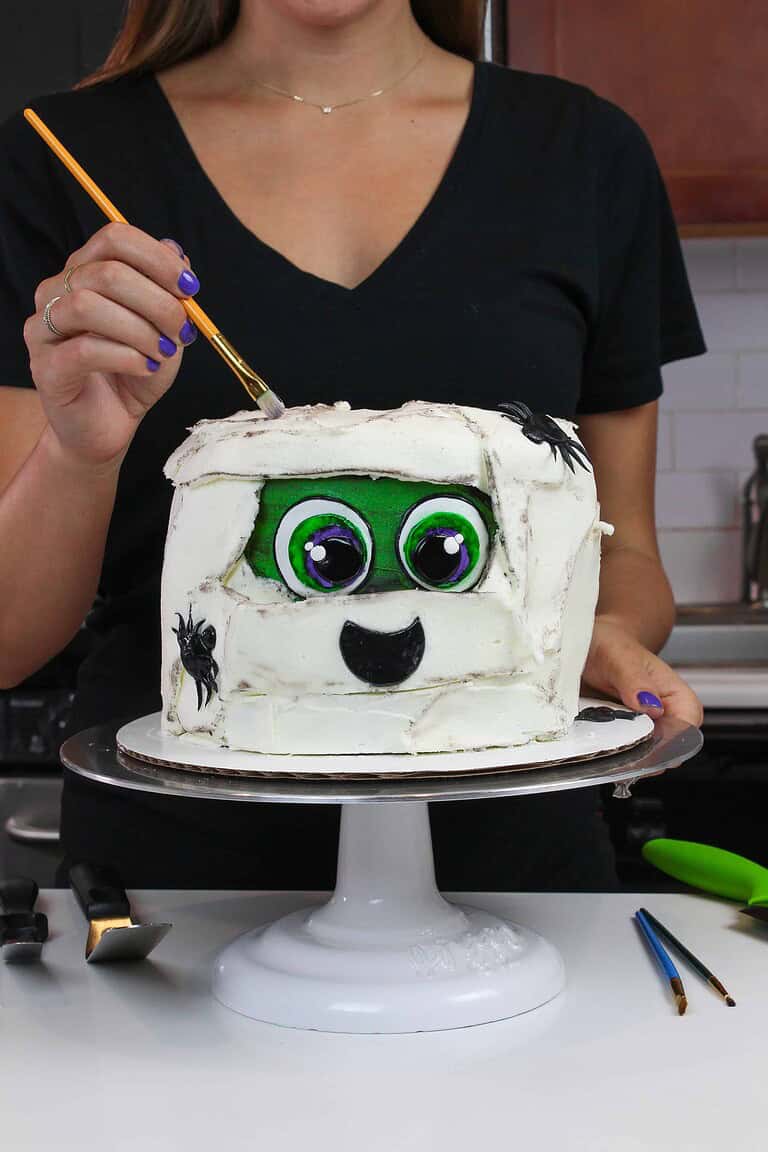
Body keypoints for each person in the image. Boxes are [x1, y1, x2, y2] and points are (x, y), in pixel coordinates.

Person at [0, 0, 705, 890]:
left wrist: (591, 639)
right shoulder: (60, 158)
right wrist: (79, 452)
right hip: (174, 894)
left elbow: (629, 554)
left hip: (518, 884)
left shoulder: (586, 153)